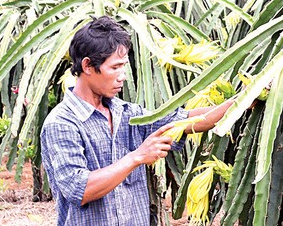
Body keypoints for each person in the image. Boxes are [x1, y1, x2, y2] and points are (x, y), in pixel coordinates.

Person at [40, 16, 237, 226]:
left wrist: (242, 100)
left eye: (123, 67)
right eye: (115, 67)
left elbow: (186, 121)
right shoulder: (61, 124)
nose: (122, 76)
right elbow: (79, 189)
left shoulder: (127, 113)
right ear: (87, 66)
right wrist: (137, 157)